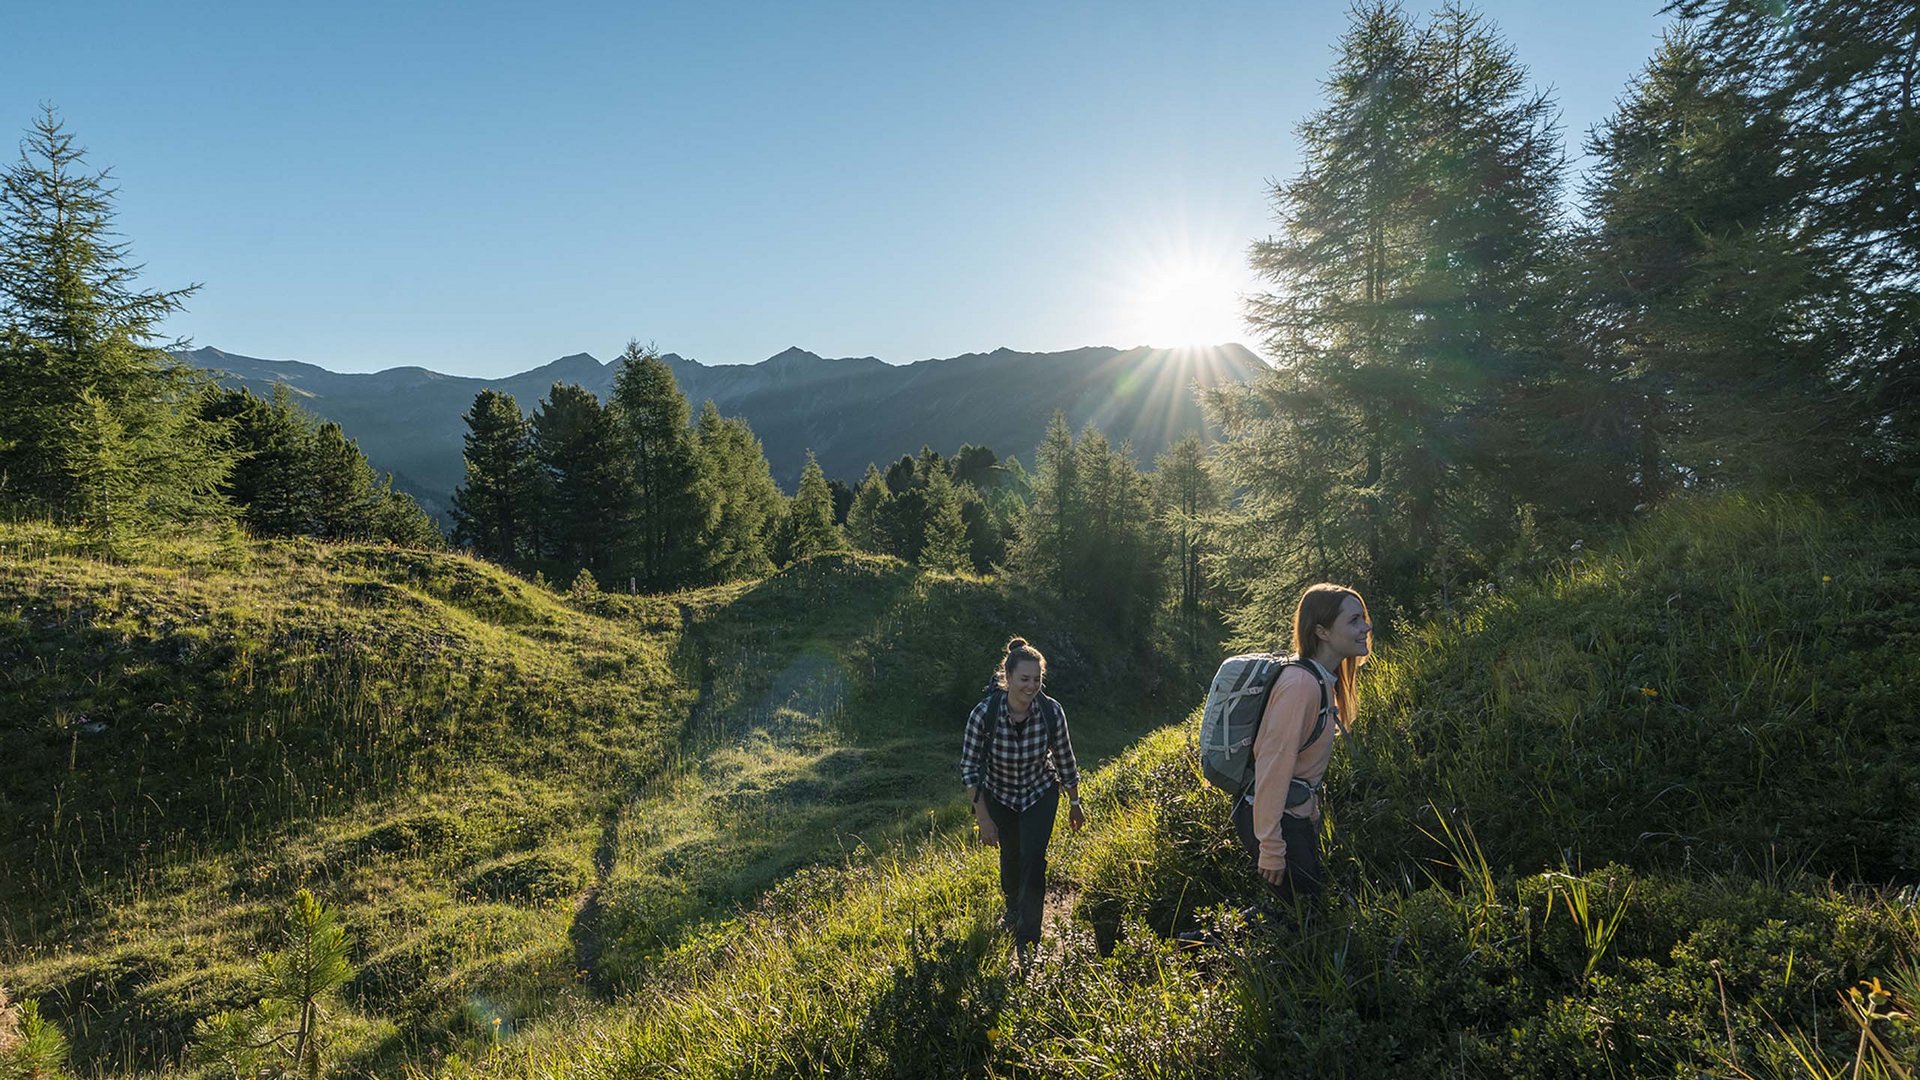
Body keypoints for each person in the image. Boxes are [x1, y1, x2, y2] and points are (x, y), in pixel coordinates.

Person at [1238, 583, 1371, 913]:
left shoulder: (1322, 680)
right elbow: (1272, 765)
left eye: (1364, 619)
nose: (1365, 627)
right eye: (1354, 620)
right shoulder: (1301, 686)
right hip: (1274, 821)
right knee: (1304, 922)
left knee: (1297, 917)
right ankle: (1194, 946)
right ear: (1322, 632)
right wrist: (1270, 845)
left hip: (1289, 817)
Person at [959, 637, 1085, 958]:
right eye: (1024, 679)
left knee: (1033, 858)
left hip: (1039, 792)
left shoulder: (1051, 712)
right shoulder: (983, 715)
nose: (1031, 687)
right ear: (1008, 677)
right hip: (999, 795)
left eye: (1036, 679)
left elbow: (1065, 759)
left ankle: (1029, 937)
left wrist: (1074, 802)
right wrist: (984, 818)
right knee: (1011, 855)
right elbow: (970, 768)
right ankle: (1012, 906)